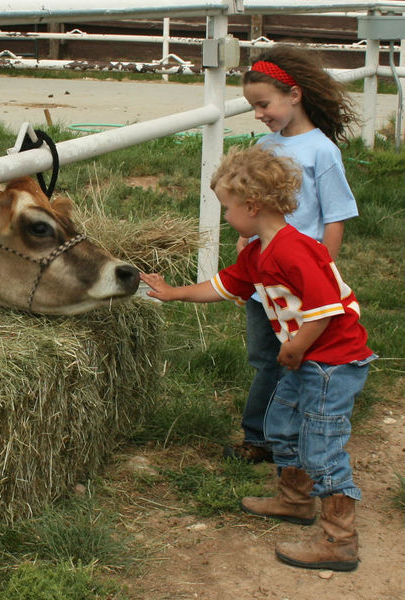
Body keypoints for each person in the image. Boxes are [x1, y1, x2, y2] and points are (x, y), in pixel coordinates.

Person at [140, 144, 376, 571]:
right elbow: (225, 286)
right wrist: (173, 292)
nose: (225, 216)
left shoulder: (294, 249)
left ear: (251, 206)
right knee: (281, 425)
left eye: (227, 208)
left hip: (331, 362)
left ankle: (340, 541)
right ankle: (294, 499)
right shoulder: (255, 252)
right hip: (304, 357)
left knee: (321, 444)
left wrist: (296, 347)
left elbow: (326, 309)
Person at [225, 43, 361, 465]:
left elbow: (334, 218)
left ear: (294, 95)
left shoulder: (323, 152)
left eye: (263, 103)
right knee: (266, 357)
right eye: (254, 106)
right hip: (263, 278)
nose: (259, 113)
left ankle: (296, 432)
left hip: (300, 282)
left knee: (299, 356)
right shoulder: (265, 147)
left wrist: (323, 272)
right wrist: (245, 242)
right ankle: (261, 436)